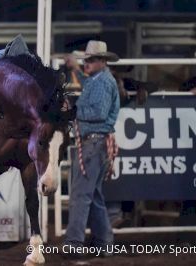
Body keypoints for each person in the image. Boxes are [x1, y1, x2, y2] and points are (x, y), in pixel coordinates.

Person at [63, 40, 120, 257]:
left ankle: (74, 243)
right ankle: (104, 243)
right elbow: (92, 89)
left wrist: (73, 109)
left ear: (102, 61)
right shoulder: (100, 79)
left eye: (92, 60)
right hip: (97, 143)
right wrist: (77, 69)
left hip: (93, 143)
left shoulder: (103, 82)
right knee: (92, 195)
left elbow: (98, 112)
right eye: (86, 60)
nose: (87, 63)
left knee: (80, 195)